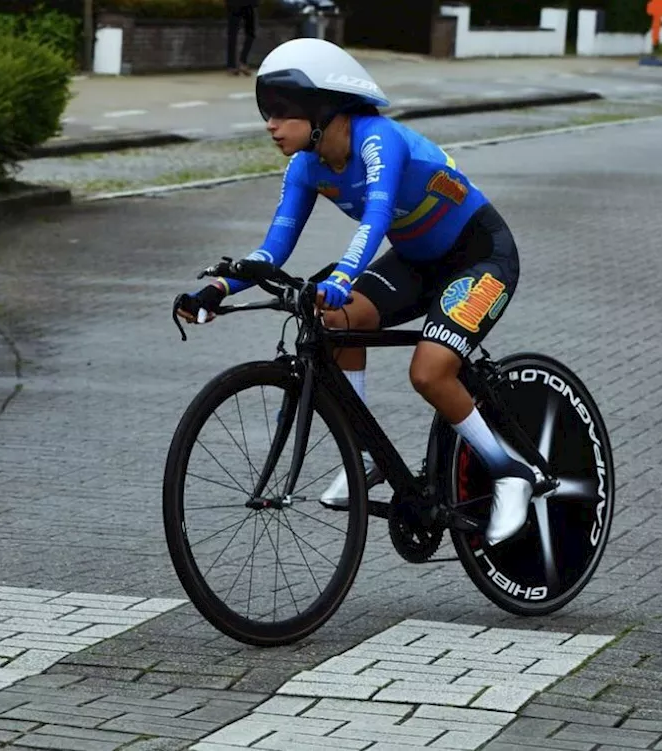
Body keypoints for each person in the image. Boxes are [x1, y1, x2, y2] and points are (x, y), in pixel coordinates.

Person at [175, 38, 535, 547]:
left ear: (323, 108)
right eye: (265, 113)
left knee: (430, 371)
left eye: (281, 112)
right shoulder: (305, 166)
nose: (269, 125)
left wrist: (342, 277)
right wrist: (218, 287)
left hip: (480, 257)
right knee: (338, 321)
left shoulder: (377, 140)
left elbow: (376, 217)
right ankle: (367, 455)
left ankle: (509, 470)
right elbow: (273, 249)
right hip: (416, 261)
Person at [225, 0, 258, 75]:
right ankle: (242, 62)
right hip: (248, 4)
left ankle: (232, 65)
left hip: (234, 4)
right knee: (250, 33)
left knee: (232, 35)